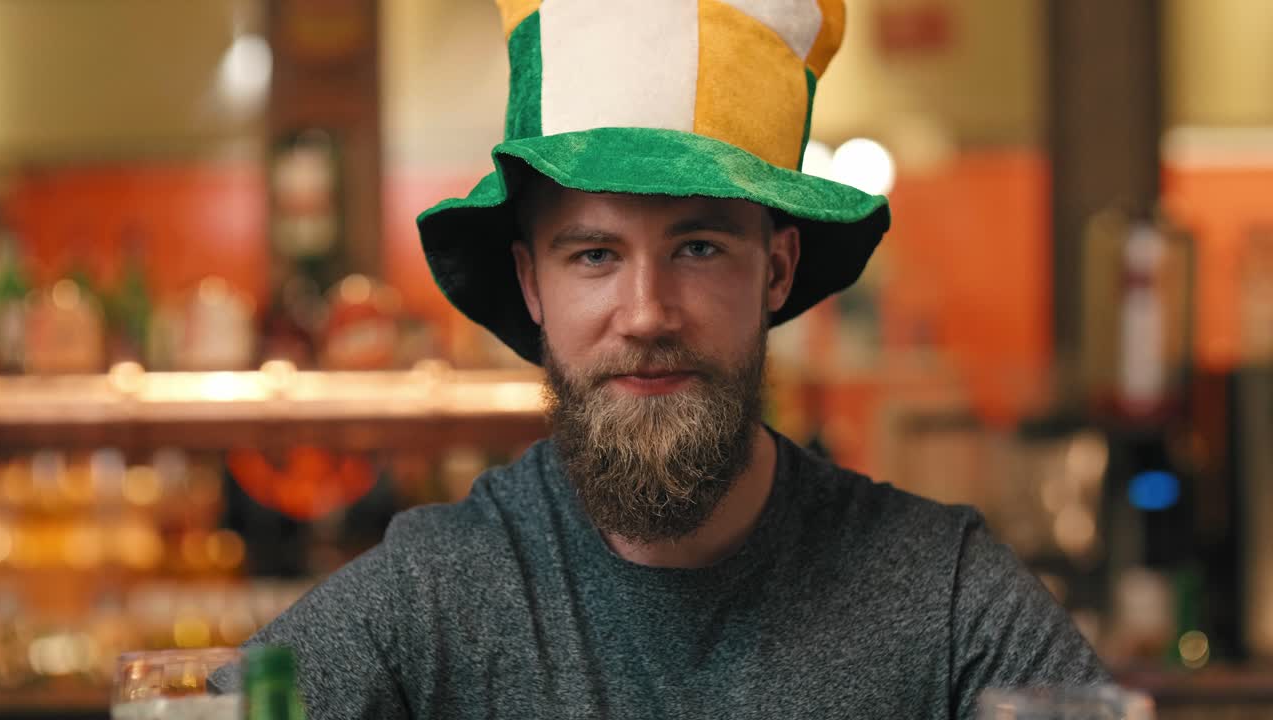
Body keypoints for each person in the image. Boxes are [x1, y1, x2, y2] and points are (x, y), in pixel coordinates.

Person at [213, 1, 1108, 716]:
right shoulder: (436, 594)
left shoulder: (941, 596)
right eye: (594, 254)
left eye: (699, 248)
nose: (645, 314)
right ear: (532, 284)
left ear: (778, 268)